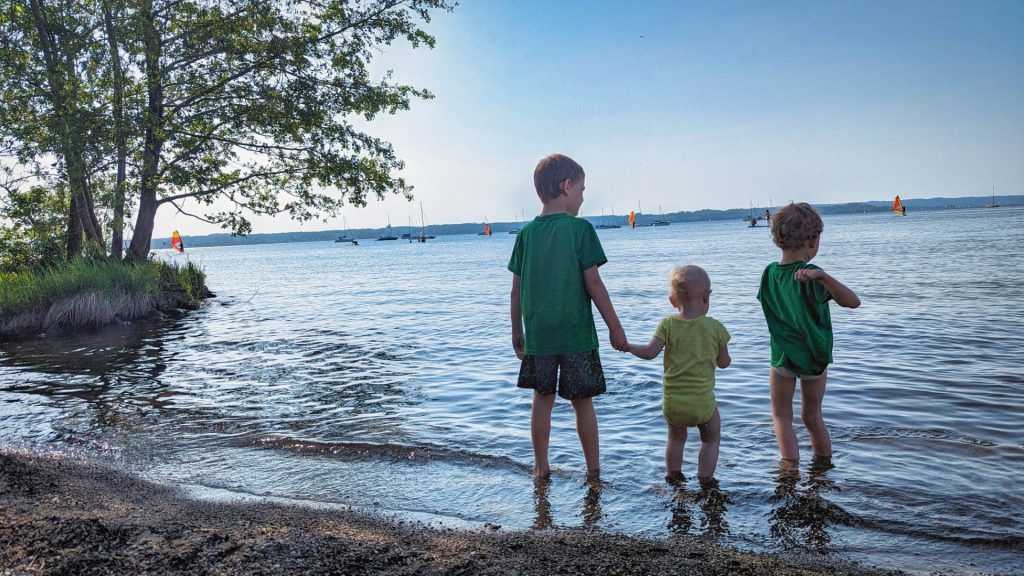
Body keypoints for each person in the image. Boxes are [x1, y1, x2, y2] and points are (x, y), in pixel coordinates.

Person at [508, 153, 628, 481]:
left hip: (539, 335)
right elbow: (594, 284)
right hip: (576, 335)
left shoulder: (526, 234)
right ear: (567, 186)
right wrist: (615, 328)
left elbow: (516, 291)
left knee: (541, 400)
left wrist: (516, 330)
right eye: (582, 189)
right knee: (583, 403)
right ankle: (593, 470)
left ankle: (540, 466)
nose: (584, 196)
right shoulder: (580, 230)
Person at [757, 202, 861, 469]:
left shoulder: (769, 274)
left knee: (781, 416)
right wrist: (824, 277)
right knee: (812, 416)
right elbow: (853, 302)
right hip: (814, 355)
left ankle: (789, 467)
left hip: (782, 356)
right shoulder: (812, 277)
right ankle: (823, 468)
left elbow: (770, 306)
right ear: (813, 240)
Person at [626, 265, 731, 487]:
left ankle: (673, 475)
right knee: (711, 438)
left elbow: (649, 352)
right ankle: (705, 478)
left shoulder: (667, 324)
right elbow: (723, 363)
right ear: (706, 296)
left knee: (675, 438)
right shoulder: (716, 328)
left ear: (673, 301)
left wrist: (627, 346)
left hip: (674, 402)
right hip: (702, 402)